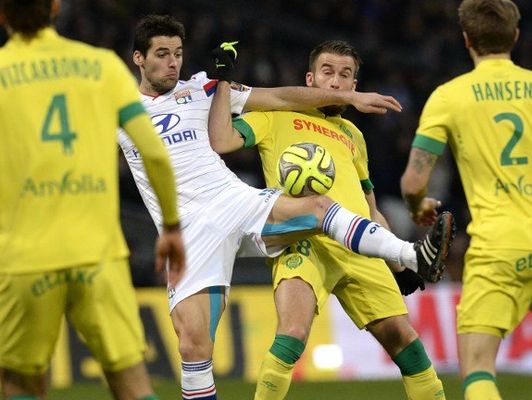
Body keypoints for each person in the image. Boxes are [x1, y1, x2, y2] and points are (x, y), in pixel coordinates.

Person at [119, 15, 452, 400]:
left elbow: (281, 95)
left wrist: (348, 99)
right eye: (162, 54)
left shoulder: (203, 88)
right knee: (194, 347)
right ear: (139, 58)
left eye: (178, 53)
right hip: (186, 230)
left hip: (232, 200)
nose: (173, 62)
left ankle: (413, 255)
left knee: (319, 207)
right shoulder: (121, 111)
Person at [208, 39, 456, 400]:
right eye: (328, 72)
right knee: (292, 333)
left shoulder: (353, 135)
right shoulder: (274, 115)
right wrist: (223, 84)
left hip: (358, 246)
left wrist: (397, 267)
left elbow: (369, 208)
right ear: (310, 79)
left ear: (355, 86)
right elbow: (221, 140)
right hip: (304, 239)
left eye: (345, 75)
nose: (336, 82)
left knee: (407, 344)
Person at [400, 1, 532, 399]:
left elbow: (412, 181)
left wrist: (418, 206)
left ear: (467, 40)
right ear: (516, 36)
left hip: (499, 245)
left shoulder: (449, 97)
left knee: (477, 364)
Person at [0, 1, 185, 400]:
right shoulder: (100, 65)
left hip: (25, 258)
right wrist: (171, 226)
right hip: (99, 256)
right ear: (55, 8)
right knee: (133, 385)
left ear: (1, 15)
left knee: (18, 383)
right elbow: (153, 152)